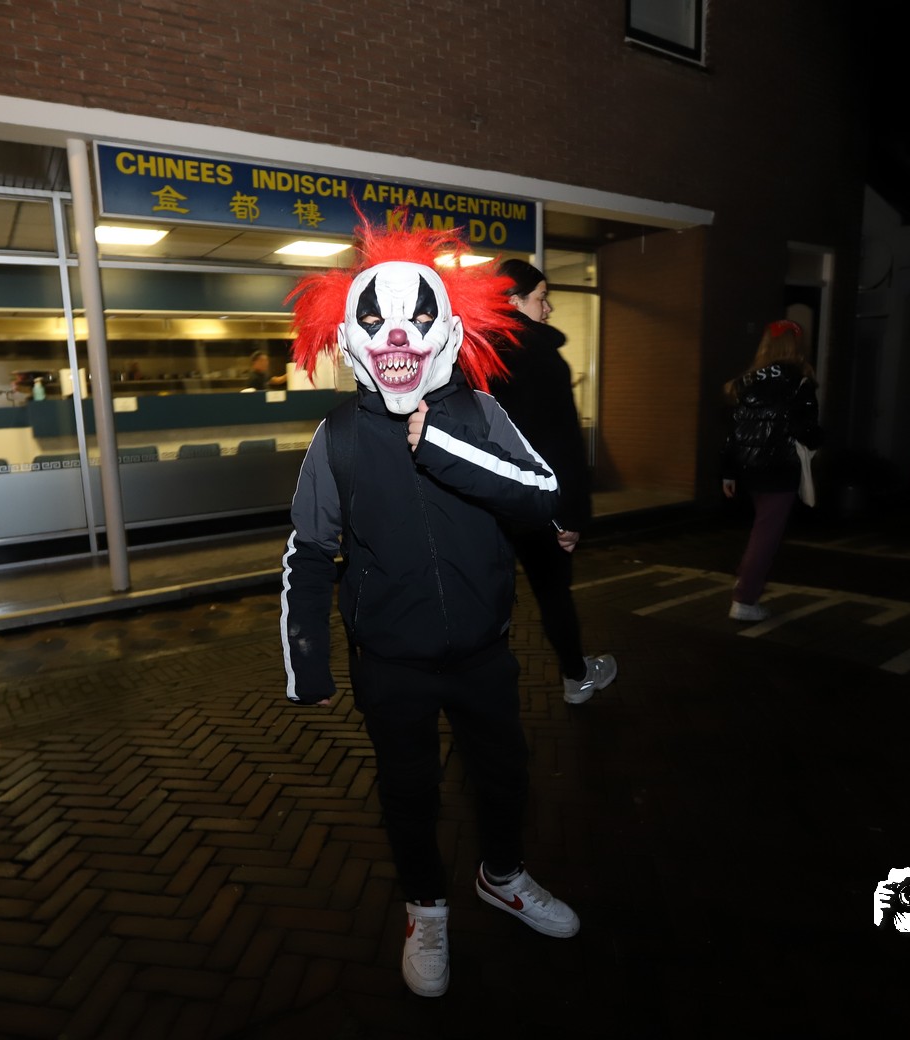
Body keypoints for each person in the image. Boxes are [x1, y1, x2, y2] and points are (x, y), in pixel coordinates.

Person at [280, 220, 581, 999]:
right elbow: (310, 549)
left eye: (416, 319)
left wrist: (442, 444)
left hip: (484, 650)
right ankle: (427, 909)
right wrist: (307, 656)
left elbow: (541, 492)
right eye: (378, 322)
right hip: (391, 662)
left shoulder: (480, 412)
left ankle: (503, 877)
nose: (397, 337)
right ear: (352, 336)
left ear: (446, 328)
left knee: (505, 774)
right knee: (408, 791)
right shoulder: (338, 435)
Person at [487, 259, 617, 704]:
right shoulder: (539, 357)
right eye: (541, 298)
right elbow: (560, 443)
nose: (548, 308)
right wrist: (569, 515)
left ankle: (482, 691)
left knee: (488, 597)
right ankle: (576, 676)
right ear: (513, 302)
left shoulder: (476, 356)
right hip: (538, 504)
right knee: (553, 592)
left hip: (489, 501)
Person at [720, 318, 824, 622]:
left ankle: (745, 580)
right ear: (796, 345)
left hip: (748, 468)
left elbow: (732, 433)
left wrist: (728, 472)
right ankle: (745, 599)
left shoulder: (745, 382)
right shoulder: (800, 382)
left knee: (761, 528)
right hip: (780, 469)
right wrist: (819, 440)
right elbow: (806, 430)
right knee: (767, 534)